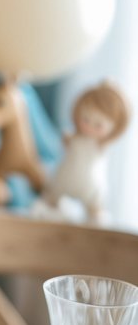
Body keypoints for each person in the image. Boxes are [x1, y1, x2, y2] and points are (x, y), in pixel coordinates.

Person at [43, 81, 131, 222]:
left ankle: (94, 213)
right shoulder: (75, 138)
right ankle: (51, 205)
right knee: (53, 193)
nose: (89, 126)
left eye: (98, 125)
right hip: (65, 179)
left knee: (95, 205)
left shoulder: (101, 145)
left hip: (90, 187)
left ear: (114, 128)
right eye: (86, 119)